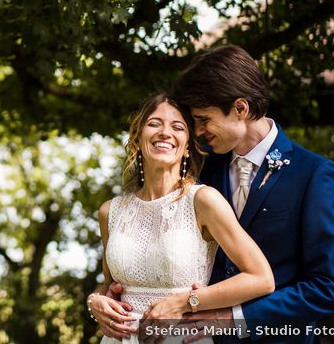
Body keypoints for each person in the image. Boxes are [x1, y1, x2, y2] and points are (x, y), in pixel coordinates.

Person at [167, 45, 334, 343]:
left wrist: (234, 319)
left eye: (204, 119)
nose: (198, 131)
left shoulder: (313, 174)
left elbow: (329, 288)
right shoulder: (202, 173)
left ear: (241, 108)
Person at [87, 93, 274, 343]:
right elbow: (110, 285)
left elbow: (261, 278)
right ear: (136, 137)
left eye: (178, 127)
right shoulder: (110, 211)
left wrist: (185, 302)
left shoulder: (203, 201)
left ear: (187, 146)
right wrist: (95, 301)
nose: (165, 132)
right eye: (154, 123)